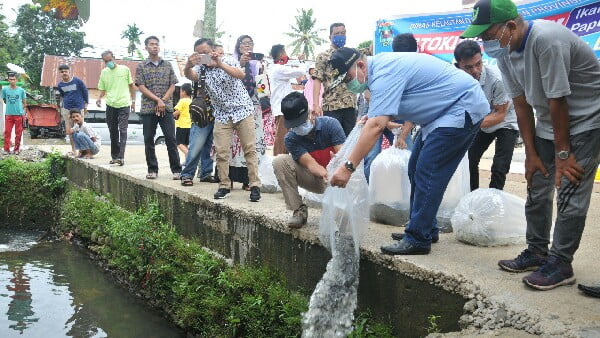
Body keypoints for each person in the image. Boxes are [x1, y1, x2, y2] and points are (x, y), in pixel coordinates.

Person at [462, 0, 600, 290]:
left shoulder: (547, 40)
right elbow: (522, 105)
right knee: (537, 183)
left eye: (488, 35)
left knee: (570, 189)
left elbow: (558, 99)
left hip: (587, 120)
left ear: (510, 26)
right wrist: (531, 154)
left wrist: (563, 155)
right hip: (552, 122)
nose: (486, 43)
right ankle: (538, 251)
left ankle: (561, 263)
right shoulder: (506, 53)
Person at [328, 48, 489, 255]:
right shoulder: (378, 73)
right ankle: (425, 227)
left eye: (348, 78)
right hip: (440, 115)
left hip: (461, 108)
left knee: (428, 171)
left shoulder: (384, 73)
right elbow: (379, 117)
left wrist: (347, 167)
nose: (349, 84)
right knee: (415, 168)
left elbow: (376, 126)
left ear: (360, 65)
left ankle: (418, 238)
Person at [184, 38, 261, 202]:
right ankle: (224, 185)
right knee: (221, 151)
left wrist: (219, 63)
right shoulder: (201, 68)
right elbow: (191, 76)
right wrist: (188, 65)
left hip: (242, 110)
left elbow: (240, 74)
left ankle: (255, 185)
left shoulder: (227, 60)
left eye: (205, 52)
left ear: (213, 50)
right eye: (199, 54)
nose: (203, 56)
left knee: (249, 149)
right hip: (222, 114)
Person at [273, 92, 346, 228]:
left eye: (301, 122)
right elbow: (310, 164)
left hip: (339, 178)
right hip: (317, 179)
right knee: (280, 161)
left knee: (344, 220)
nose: (299, 128)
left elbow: (343, 155)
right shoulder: (291, 138)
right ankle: (299, 210)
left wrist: (337, 166)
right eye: (295, 125)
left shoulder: (330, 125)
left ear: (311, 113)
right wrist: (324, 173)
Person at [453, 40, 519, 191]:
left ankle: (493, 200)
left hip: (505, 121)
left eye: (478, 64)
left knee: (499, 166)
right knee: (470, 158)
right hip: (483, 120)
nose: (475, 70)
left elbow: (500, 114)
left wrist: (467, 125)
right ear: (459, 66)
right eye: (468, 67)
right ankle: (472, 197)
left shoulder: (497, 79)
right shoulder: (457, 79)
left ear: (482, 59)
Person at [363, 33, 418, 182]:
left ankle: (406, 197)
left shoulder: (416, 71)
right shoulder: (383, 67)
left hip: (402, 118)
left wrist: (403, 135)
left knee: (409, 157)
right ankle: (372, 196)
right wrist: (386, 123)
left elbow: (413, 108)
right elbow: (369, 97)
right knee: (370, 158)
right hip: (377, 114)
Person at [222, 35, 266, 190]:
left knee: (250, 144)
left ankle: (249, 180)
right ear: (238, 46)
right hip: (233, 107)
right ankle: (229, 178)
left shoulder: (257, 63)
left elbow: (262, 88)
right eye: (244, 43)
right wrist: (240, 64)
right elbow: (227, 81)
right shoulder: (230, 61)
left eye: (250, 43)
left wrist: (262, 70)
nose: (247, 46)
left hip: (253, 106)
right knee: (233, 144)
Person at [135, 36, 181, 180]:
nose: (154, 46)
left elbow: (173, 85)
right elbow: (141, 86)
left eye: (156, 44)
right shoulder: (141, 66)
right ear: (146, 47)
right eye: (151, 44)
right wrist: (157, 100)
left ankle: (176, 170)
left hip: (166, 108)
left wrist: (163, 101)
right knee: (149, 139)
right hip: (149, 108)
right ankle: (152, 169)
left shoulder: (167, 65)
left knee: (171, 139)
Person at [312, 22, 357, 136]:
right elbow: (317, 80)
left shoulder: (351, 54)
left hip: (350, 104)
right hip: (332, 105)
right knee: (332, 140)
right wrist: (316, 105)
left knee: (349, 141)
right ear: (330, 37)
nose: (340, 36)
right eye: (337, 33)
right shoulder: (323, 56)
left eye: (343, 33)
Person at [96, 50, 136, 166]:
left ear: (114, 57)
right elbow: (102, 89)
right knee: (112, 130)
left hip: (124, 104)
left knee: (122, 130)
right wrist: (99, 98)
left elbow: (131, 86)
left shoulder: (124, 70)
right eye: (106, 61)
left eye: (110, 60)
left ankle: (121, 157)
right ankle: (114, 156)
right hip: (110, 104)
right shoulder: (104, 73)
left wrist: (133, 101)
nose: (108, 62)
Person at [269, 44, 307, 155]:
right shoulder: (279, 69)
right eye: (285, 53)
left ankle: (281, 160)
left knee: (284, 137)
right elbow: (301, 72)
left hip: (282, 108)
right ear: (281, 54)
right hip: (282, 109)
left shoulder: (276, 68)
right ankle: (278, 162)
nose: (287, 56)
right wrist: (301, 61)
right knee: (282, 138)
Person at [57, 64, 89, 156]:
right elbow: (63, 95)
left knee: (81, 129)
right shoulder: (60, 85)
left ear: (69, 72)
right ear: (60, 73)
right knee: (70, 131)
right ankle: (74, 150)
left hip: (79, 108)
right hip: (67, 109)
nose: (64, 73)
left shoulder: (77, 81)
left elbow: (85, 92)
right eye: (62, 72)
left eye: (65, 71)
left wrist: (86, 104)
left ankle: (84, 150)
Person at [1, 73, 26, 155]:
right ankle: (6, 149)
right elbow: (4, 100)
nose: (12, 81)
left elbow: (24, 103)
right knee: (7, 132)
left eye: (14, 79)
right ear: (8, 80)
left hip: (19, 114)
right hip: (8, 114)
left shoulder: (21, 90)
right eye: (10, 79)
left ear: (16, 80)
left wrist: (21, 112)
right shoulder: (5, 90)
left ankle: (16, 149)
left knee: (18, 133)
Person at [174, 83, 192, 156]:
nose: (180, 93)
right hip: (190, 126)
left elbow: (177, 112)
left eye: (180, 91)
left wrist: (170, 116)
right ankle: (187, 161)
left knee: (179, 143)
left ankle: (189, 155)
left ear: (184, 92)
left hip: (182, 125)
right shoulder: (191, 101)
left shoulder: (182, 101)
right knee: (185, 144)